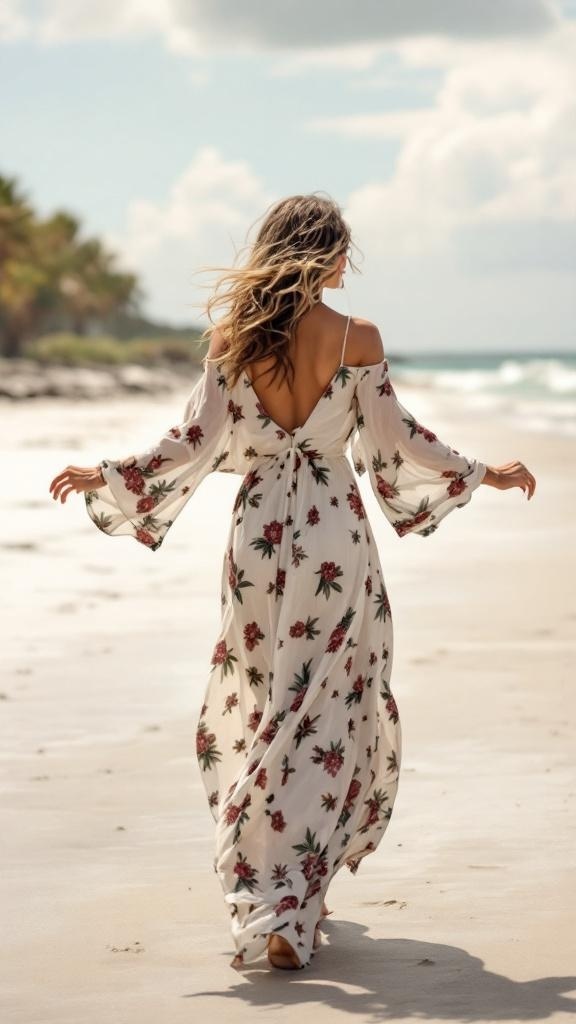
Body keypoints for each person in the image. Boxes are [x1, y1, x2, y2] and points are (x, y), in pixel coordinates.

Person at [49, 193, 536, 972]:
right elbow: (397, 441)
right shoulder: (357, 336)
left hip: (258, 535)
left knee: (270, 698)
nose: (348, 265)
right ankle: (293, 898)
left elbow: (192, 442)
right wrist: (484, 473)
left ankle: (279, 886)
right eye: (342, 250)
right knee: (326, 706)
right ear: (318, 253)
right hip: (332, 536)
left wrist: (110, 475)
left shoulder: (233, 337)